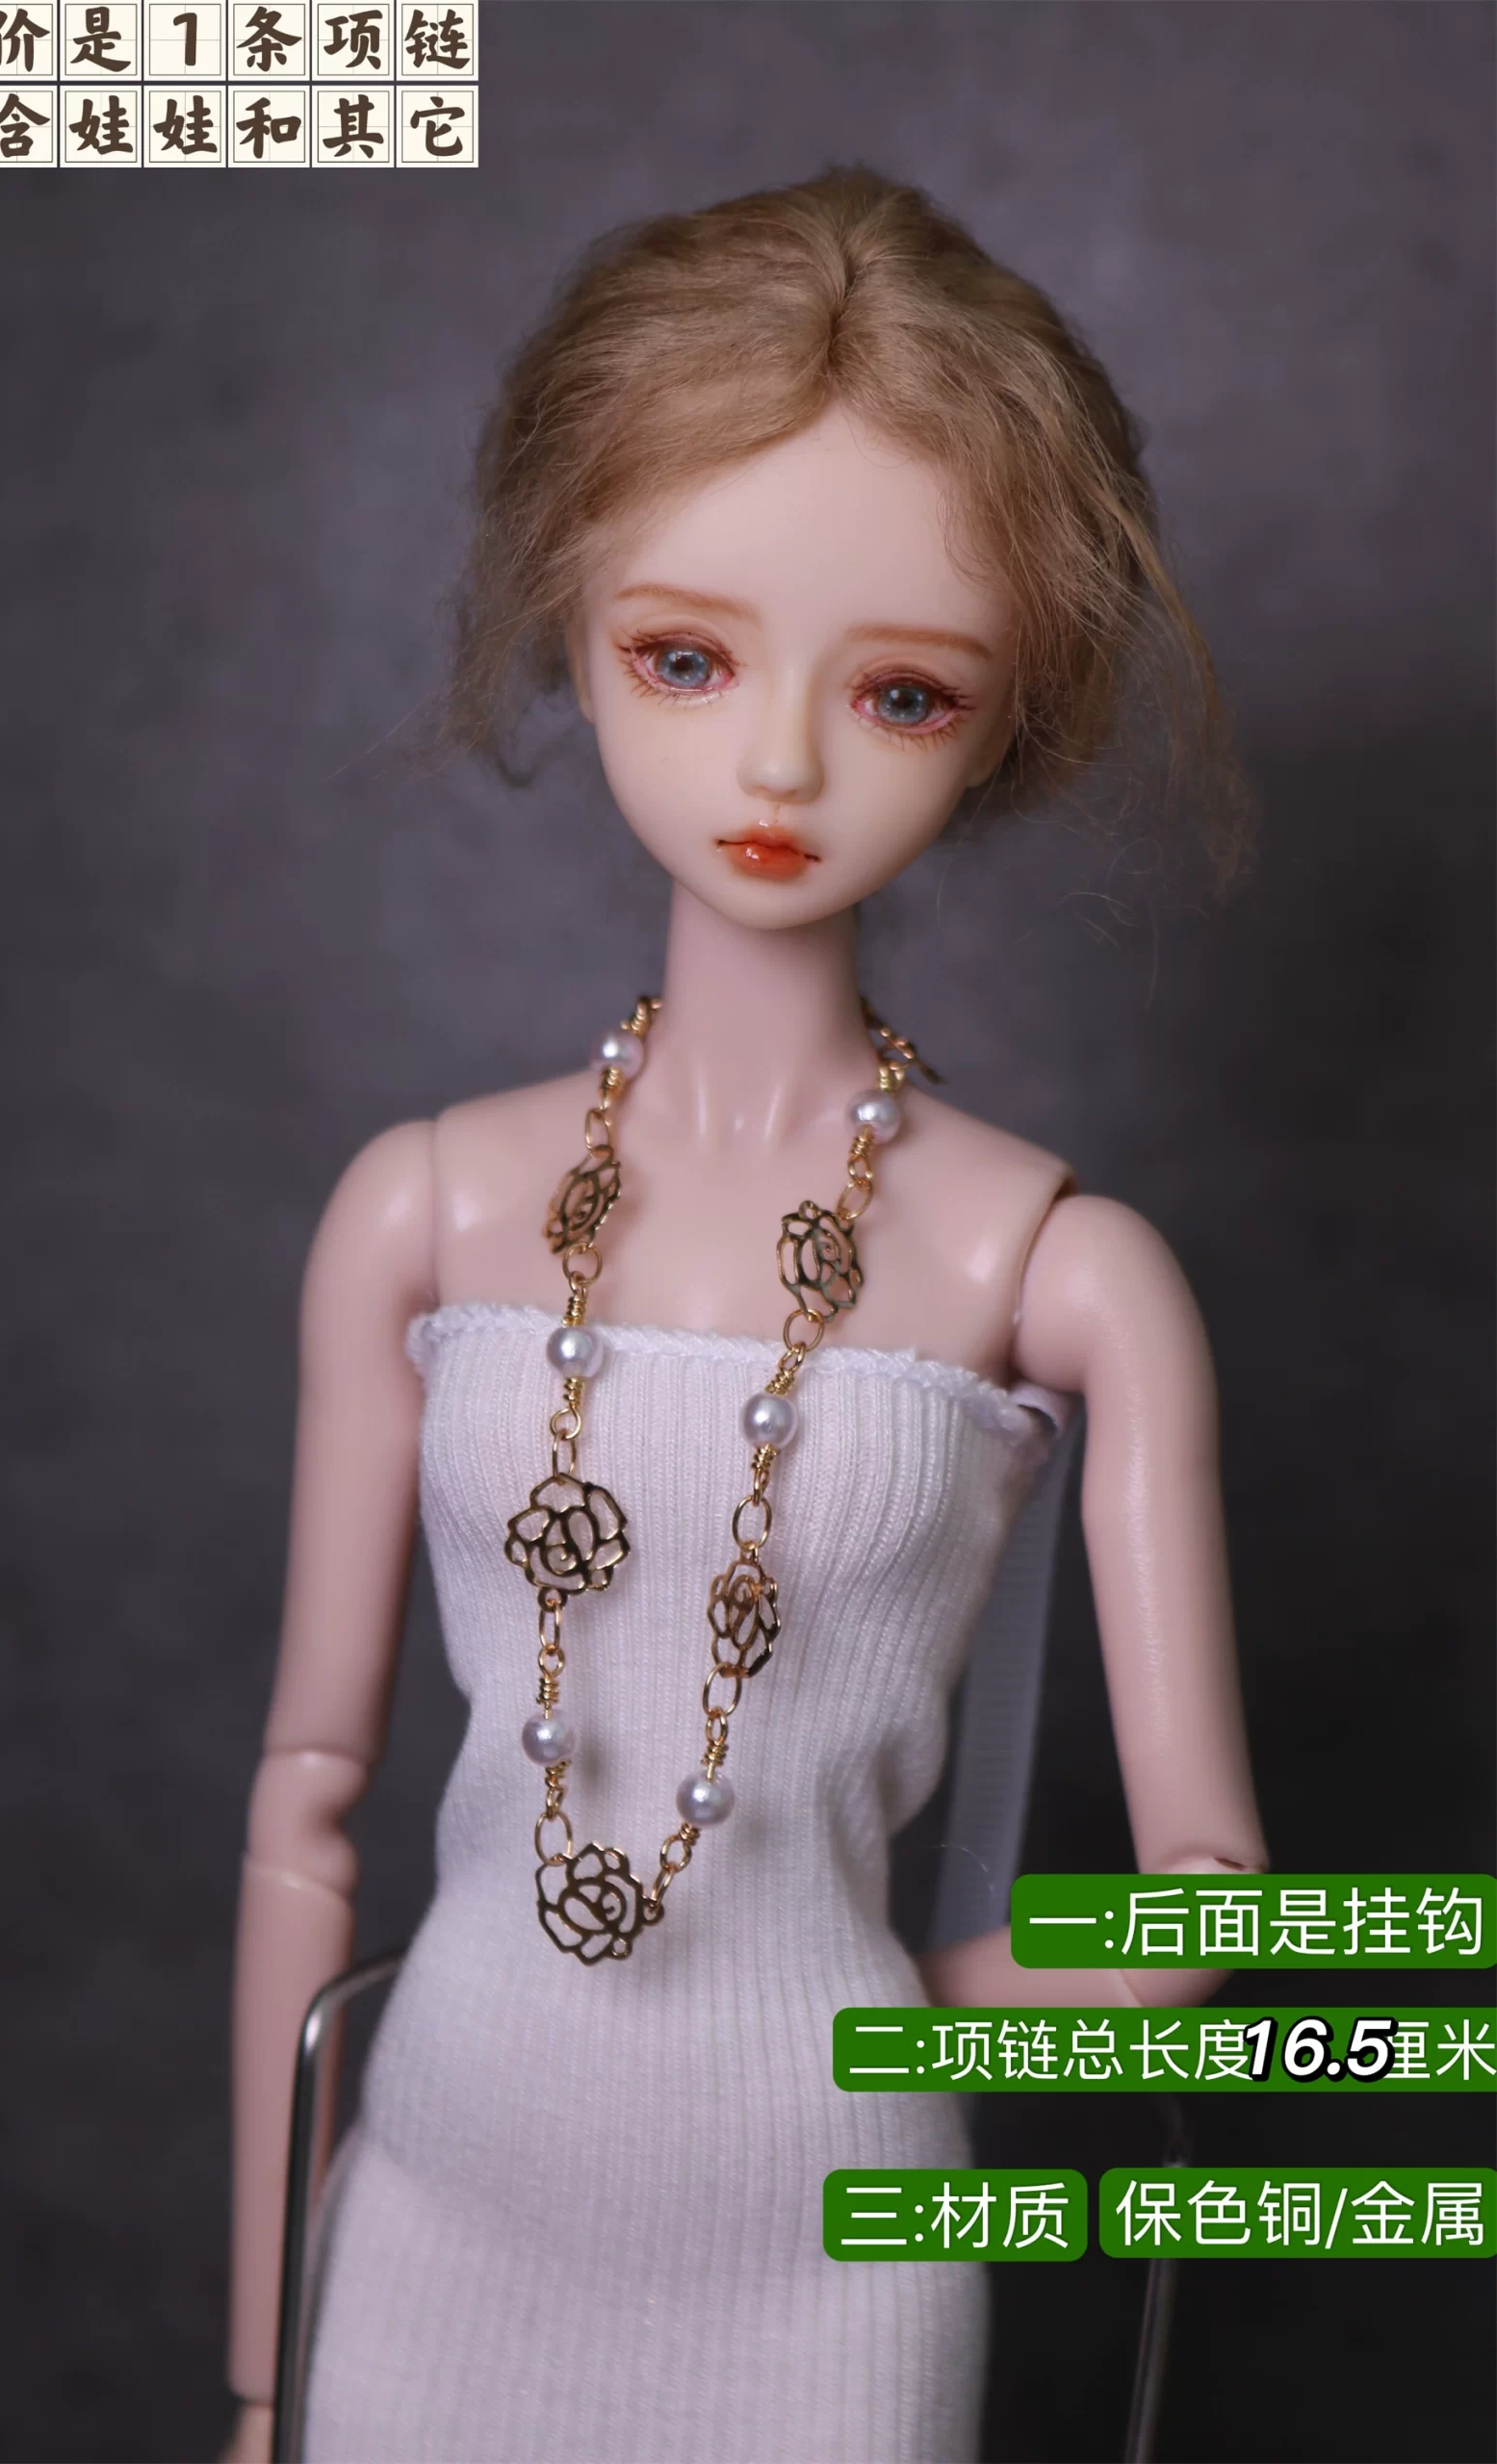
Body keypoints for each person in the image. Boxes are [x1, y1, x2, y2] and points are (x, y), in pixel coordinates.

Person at [222, 167, 1268, 2464]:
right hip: (437, 2211)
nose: (780, 765)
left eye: (898, 690)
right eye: (685, 657)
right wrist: (260, 2369)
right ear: (568, 617)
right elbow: (305, 1802)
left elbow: (1210, 1898)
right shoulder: (425, 1209)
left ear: (1004, 718)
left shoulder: (1058, 1270)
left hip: (821, 2259)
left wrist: (884, 2036)